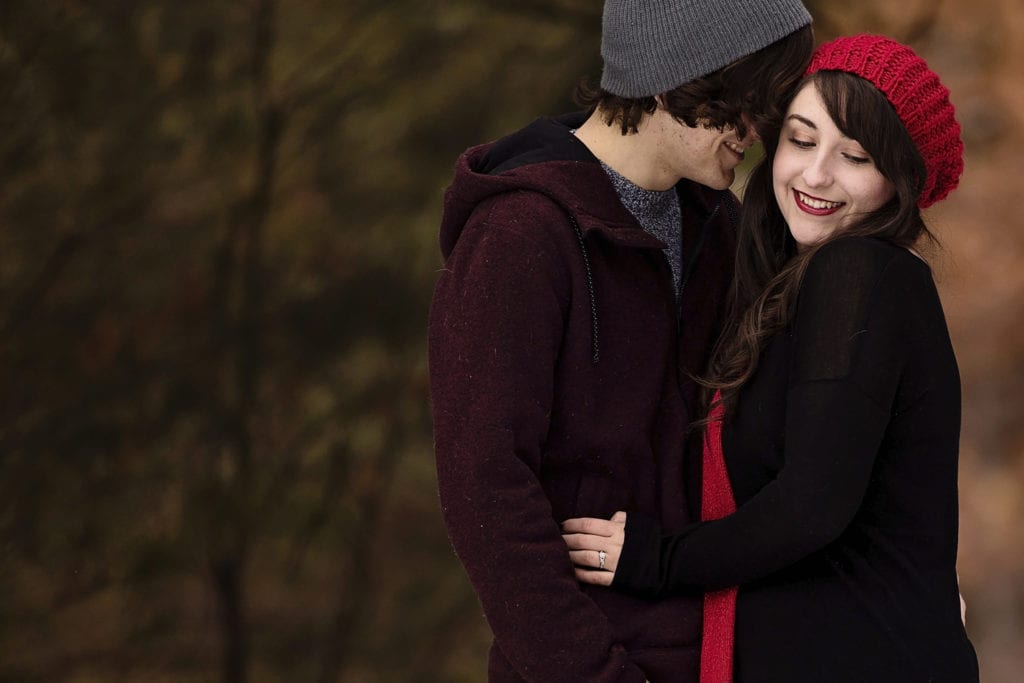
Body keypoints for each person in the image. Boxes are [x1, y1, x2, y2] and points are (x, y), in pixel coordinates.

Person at [562, 35, 979, 682]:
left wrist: (656, 558)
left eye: (856, 155)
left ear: (898, 181)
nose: (816, 175)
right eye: (803, 140)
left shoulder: (859, 272)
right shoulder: (793, 286)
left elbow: (809, 507)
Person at [428, 0, 814, 680]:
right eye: (747, 102)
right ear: (673, 79)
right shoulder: (519, 237)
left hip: (723, 653)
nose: (757, 130)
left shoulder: (716, 226)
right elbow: (485, 486)